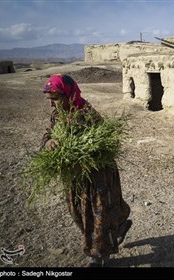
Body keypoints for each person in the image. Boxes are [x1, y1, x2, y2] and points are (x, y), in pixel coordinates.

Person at [41, 74, 132, 267]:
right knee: (78, 214)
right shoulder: (58, 114)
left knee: (98, 217)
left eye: (55, 99)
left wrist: (83, 158)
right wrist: (49, 142)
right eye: (49, 100)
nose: (52, 105)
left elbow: (106, 146)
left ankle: (99, 256)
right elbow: (47, 134)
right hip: (73, 177)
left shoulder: (87, 114)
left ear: (69, 95)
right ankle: (120, 224)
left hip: (97, 176)